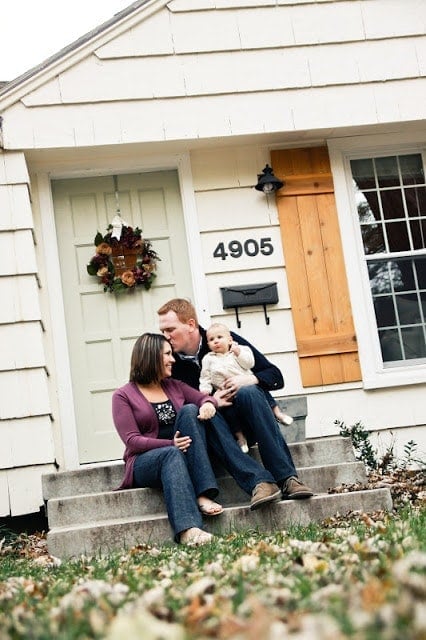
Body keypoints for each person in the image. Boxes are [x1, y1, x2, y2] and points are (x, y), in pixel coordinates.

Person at [157, 298, 313, 501]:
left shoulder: (224, 339)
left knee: (249, 391)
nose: (165, 337)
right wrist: (211, 401)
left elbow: (275, 376)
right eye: (162, 332)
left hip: (248, 421)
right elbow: (175, 407)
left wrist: (248, 379)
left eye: (170, 329)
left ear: (191, 325)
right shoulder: (170, 361)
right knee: (202, 411)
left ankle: (288, 479)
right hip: (214, 434)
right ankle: (260, 483)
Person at [112, 332, 225, 546]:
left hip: (182, 452)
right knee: (171, 454)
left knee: (191, 410)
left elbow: (202, 397)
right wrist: (170, 444)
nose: (173, 359)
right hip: (144, 461)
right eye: (167, 354)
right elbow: (132, 441)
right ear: (151, 356)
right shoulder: (123, 396)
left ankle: (202, 492)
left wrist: (209, 403)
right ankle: (188, 530)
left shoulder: (174, 386)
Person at [200, 322, 294, 452]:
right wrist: (205, 392)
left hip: (245, 385)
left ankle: (278, 413)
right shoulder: (208, 359)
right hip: (226, 393)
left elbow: (249, 363)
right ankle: (241, 438)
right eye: (211, 340)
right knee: (230, 413)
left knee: (260, 391)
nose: (216, 341)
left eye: (219, 337)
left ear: (230, 339)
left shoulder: (240, 350)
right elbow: (205, 377)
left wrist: (238, 353)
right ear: (208, 344)